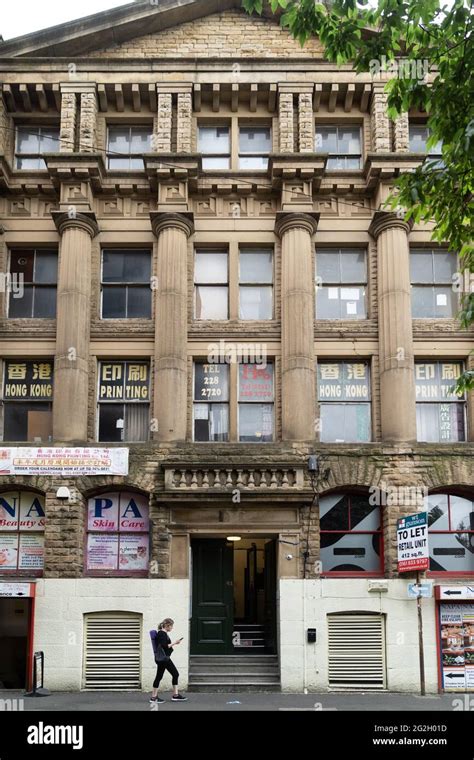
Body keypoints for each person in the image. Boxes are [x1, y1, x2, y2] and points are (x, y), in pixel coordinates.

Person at [150, 618, 187, 703]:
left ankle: (154, 697)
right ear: (167, 625)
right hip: (164, 659)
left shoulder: (162, 633)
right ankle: (175, 695)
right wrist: (175, 642)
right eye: (171, 626)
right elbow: (164, 646)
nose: (172, 628)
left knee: (159, 676)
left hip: (163, 659)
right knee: (175, 674)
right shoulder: (162, 633)